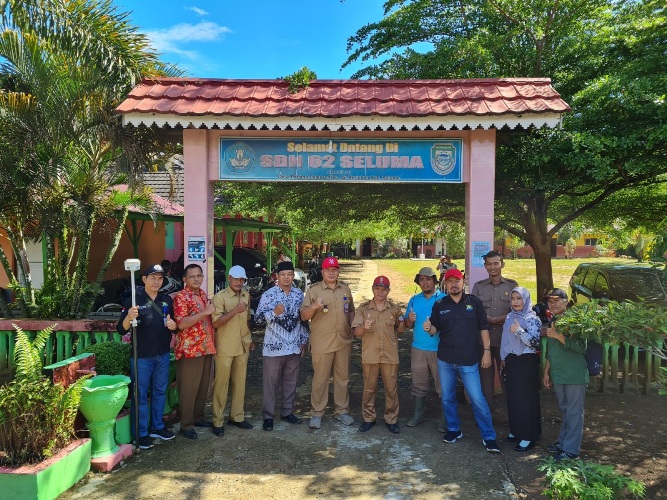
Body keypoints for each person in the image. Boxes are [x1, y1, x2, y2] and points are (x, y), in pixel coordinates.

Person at [423, 268, 500, 453]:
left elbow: (483, 327)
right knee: (448, 397)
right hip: (446, 359)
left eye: (456, 280)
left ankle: (489, 437)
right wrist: (429, 328)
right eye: (449, 281)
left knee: (477, 398)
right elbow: (435, 329)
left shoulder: (474, 302)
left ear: (463, 281)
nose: (454, 284)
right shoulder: (440, 304)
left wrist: (487, 351)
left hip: (468, 360)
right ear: (445, 284)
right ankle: (454, 430)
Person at [117, 263, 178, 449]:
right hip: (141, 357)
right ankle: (141, 433)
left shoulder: (166, 299)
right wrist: (129, 316)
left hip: (162, 354)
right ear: (144, 279)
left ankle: (157, 427)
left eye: (160, 278)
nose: (157, 282)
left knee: (160, 392)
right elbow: (121, 329)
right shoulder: (134, 300)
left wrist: (174, 326)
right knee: (140, 396)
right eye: (153, 278)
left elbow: (175, 324)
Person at [300, 256, 355, 429]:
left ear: (338, 271)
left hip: (343, 341)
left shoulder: (345, 290)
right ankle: (317, 413)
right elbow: (303, 316)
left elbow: (351, 311)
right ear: (322, 272)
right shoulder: (314, 291)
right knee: (320, 379)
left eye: (334, 270)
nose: (331, 273)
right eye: (328, 270)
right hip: (322, 342)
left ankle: (342, 410)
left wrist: (355, 328)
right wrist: (314, 306)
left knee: (342, 378)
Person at [255, 261, 309, 432]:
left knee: (291, 382)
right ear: (277, 277)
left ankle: (287, 412)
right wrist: (273, 313)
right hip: (273, 348)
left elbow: (303, 321)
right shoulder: (268, 295)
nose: (286, 277)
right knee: (270, 384)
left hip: (293, 346)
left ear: (293, 276)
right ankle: (268, 416)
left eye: (289, 274)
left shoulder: (299, 294)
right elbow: (256, 320)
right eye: (283, 274)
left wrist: (303, 341)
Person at [352, 276, 405, 434]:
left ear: (388, 291)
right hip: (370, 355)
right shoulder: (363, 308)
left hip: (389, 356)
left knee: (391, 389)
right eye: (377, 288)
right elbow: (356, 332)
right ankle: (369, 418)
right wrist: (364, 327)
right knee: (369, 389)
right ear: (373, 289)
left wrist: (404, 320)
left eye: (383, 289)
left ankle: (391, 419)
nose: (380, 292)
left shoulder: (395, 309)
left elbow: (401, 330)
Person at [542, 288, 589, 460]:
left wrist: (557, 335)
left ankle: (571, 451)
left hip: (574, 374)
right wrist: (547, 371)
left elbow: (581, 347)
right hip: (558, 373)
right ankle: (563, 443)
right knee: (565, 410)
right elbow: (552, 350)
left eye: (556, 300)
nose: (552, 303)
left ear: (566, 301)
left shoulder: (575, 321)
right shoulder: (554, 319)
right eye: (550, 301)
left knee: (574, 412)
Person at [172, 264, 217, 439]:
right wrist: (205, 312)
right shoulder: (181, 297)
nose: (196, 279)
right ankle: (186, 424)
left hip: (205, 347)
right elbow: (182, 323)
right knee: (189, 389)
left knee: (202, 387)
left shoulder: (202, 295)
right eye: (192, 276)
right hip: (189, 350)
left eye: (199, 275)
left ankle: (198, 417)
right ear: (185, 279)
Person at [471, 250, 517, 412]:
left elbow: (518, 311)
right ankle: (486, 418)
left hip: (507, 342)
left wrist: (497, 319)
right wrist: (486, 320)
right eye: (489, 264)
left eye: (496, 263)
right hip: (485, 343)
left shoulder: (512, 286)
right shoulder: (478, 287)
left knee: (509, 380)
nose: (493, 267)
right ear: (485, 266)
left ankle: (514, 418)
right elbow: (472, 311)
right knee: (485, 383)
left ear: (502, 264)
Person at [211, 265, 254, 436]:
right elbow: (216, 323)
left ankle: (237, 416)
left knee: (240, 384)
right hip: (225, 346)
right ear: (229, 278)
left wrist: (250, 338)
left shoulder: (246, 295)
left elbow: (247, 319)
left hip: (243, 345)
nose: (239, 282)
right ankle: (217, 420)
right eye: (235, 279)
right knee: (221, 385)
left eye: (241, 279)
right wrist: (235, 311)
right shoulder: (220, 297)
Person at [403, 267, 446, 431]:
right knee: (418, 383)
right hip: (418, 348)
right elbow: (407, 325)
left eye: (428, 279)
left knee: (442, 385)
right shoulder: (414, 300)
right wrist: (409, 319)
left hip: (439, 348)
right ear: (418, 282)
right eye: (422, 279)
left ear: (435, 281)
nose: (425, 282)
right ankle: (418, 414)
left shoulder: (444, 299)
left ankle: (446, 418)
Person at [500, 287, 542, 451]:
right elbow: (505, 339)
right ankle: (516, 431)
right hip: (511, 360)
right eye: (513, 299)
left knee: (526, 399)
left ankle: (528, 436)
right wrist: (503, 358)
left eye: (519, 299)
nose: (516, 302)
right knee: (513, 397)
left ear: (526, 300)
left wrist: (519, 331)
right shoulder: (510, 316)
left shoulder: (532, 319)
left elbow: (534, 343)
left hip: (526, 361)